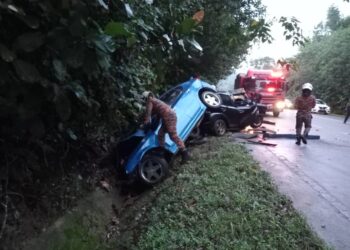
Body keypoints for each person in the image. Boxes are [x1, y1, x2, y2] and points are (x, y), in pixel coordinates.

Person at [142, 91, 190, 163]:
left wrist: (144, 124)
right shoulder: (155, 101)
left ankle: (185, 154)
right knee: (161, 134)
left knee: (173, 135)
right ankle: (163, 152)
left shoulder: (150, 101)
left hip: (169, 117)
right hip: (167, 117)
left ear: (145, 98)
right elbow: (155, 115)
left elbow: (148, 115)